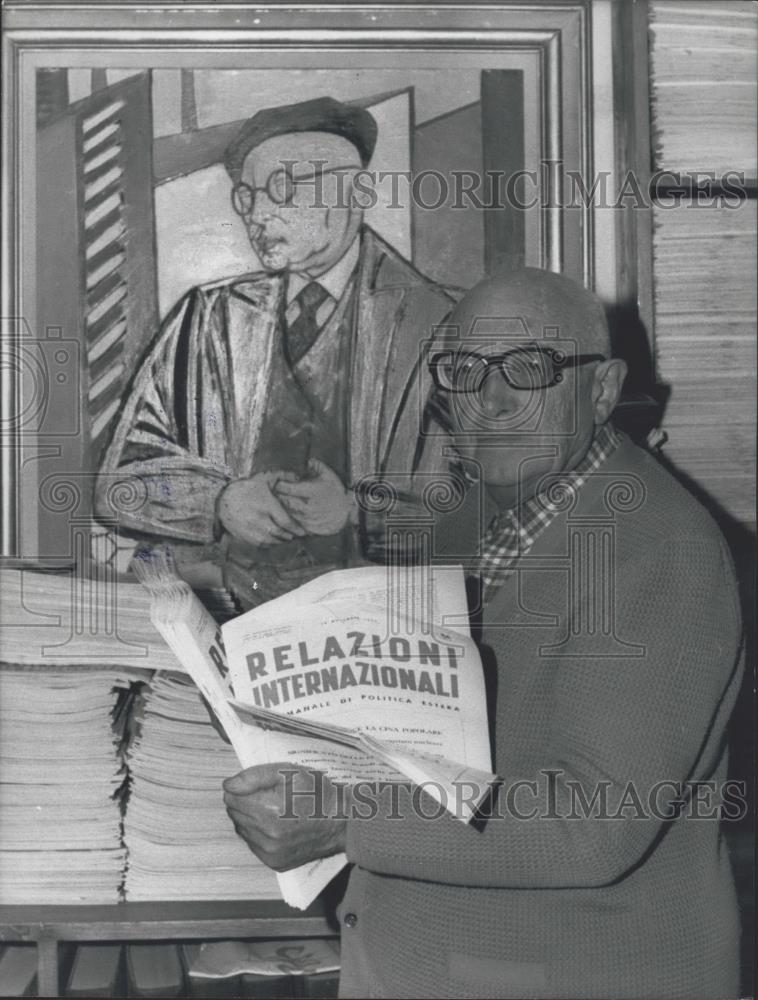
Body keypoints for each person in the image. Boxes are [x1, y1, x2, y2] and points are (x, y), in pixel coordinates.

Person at [221, 269, 744, 999]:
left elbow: (592, 821)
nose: (491, 400)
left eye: (530, 369)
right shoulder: (500, 509)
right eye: (465, 371)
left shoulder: (656, 548)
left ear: (601, 390)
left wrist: (348, 823)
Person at [95, 97, 455, 607]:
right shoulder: (207, 319)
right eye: (247, 196)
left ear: (359, 191)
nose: (259, 215)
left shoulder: (439, 323)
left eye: (285, 189)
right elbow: (118, 483)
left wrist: (358, 510)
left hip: (386, 625)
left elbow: (493, 501)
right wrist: (219, 502)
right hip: (225, 615)